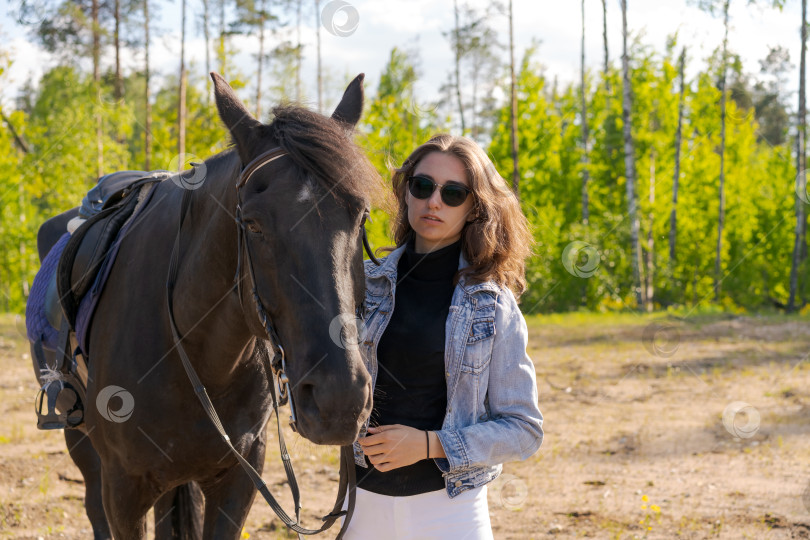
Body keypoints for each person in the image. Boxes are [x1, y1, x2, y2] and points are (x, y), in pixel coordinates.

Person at [346, 134, 544, 539]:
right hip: (361, 508)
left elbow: (524, 430)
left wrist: (429, 445)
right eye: (422, 186)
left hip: (450, 514)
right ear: (406, 193)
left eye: (453, 193)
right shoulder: (361, 286)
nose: (433, 202)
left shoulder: (493, 304)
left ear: (474, 208)